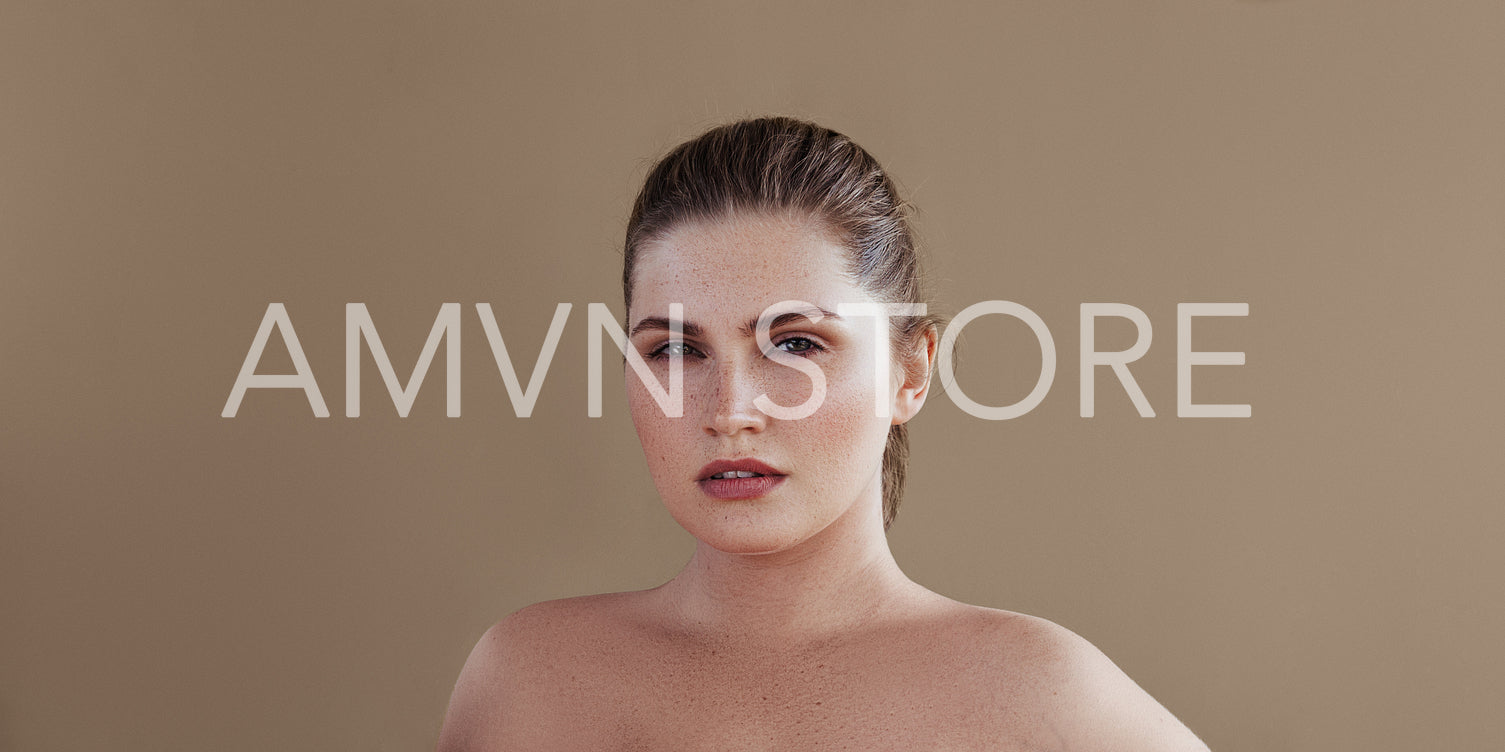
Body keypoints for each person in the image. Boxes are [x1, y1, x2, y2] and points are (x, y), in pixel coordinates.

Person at [436, 117, 1208, 751]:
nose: (730, 409)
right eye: (674, 349)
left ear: (910, 372)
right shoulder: (525, 684)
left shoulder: (1034, 698)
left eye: (796, 344)